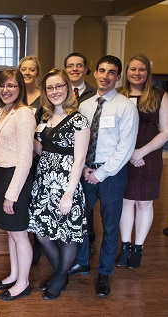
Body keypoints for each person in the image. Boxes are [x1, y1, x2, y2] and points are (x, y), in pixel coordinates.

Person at [68, 55, 139, 297]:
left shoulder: (126, 107)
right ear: (95, 73)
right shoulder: (85, 105)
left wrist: (100, 173)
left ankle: (104, 274)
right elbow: (79, 140)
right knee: (80, 221)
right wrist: (86, 170)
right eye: (101, 71)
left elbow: (126, 147)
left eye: (111, 72)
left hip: (112, 176)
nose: (105, 76)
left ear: (118, 77)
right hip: (86, 173)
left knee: (110, 227)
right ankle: (82, 262)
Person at [28, 69, 90, 300]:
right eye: (50, 88)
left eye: (59, 86)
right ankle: (61, 274)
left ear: (68, 89)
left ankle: (60, 277)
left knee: (67, 235)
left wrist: (68, 194)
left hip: (66, 184)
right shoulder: (45, 118)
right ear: (45, 92)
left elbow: (80, 159)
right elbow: (44, 150)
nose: (55, 91)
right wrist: (27, 135)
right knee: (42, 233)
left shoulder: (78, 120)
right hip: (44, 183)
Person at [116, 54, 168, 269]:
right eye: (133, 69)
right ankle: (126, 246)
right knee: (126, 201)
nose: (136, 73)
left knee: (144, 202)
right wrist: (129, 153)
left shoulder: (160, 95)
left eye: (141, 69)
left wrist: (141, 152)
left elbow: (166, 131)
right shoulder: (119, 94)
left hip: (149, 154)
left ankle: (138, 248)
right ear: (126, 72)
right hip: (122, 154)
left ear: (147, 72)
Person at [0, 69, 36, 301]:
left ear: (20, 89)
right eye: (2, 86)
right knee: (10, 231)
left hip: (17, 177)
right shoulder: (2, 111)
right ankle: (14, 274)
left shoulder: (24, 114)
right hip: (2, 175)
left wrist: (12, 194)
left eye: (11, 86)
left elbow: (26, 158)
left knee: (19, 233)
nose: (6, 90)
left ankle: (23, 283)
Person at [64, 52, 97, 256]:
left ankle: (87, 244)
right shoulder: (59, 93)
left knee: (84, 205)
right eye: (70, 66)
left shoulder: (95, 94)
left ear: (86, 69)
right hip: (62, 157)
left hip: (85, 158)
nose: (74, 69)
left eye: (79, 65)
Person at [18, 55, 44, 266]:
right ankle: (22, 243)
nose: (27, 73)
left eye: (31, 70)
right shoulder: (13, 95)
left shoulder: (44, 98)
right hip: (16, 158)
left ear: (38, 73)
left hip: (37, 157)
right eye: (23, 69)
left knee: (35, 202)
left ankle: (36, 246)